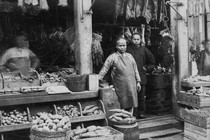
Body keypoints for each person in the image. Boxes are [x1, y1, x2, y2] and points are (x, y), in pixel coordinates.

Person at [99, 37, 141, 113]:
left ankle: (129, 117)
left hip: (131, 84)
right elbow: (105, 68)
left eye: (124, 45)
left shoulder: (130, 56)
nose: (122, 47)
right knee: (121, 102)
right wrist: (97, 79)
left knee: (131, 101)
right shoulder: (112, 57)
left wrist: (138, 81)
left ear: (126, 46)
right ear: (116, 46)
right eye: (120, 45)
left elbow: (135, 69)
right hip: (120, 84)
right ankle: (122, 120)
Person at [127, 32, 155, 119]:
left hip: (141, 76)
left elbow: (152, 61)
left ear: (140, 40)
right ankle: (131, 113)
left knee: (141, 96)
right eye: (134, 39)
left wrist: (147, 68)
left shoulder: (144, 50)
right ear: (131, 40)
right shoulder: (127, 50)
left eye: (137, 39)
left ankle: (141, 112)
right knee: (130, 95)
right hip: (129, 76)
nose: (136, 41)